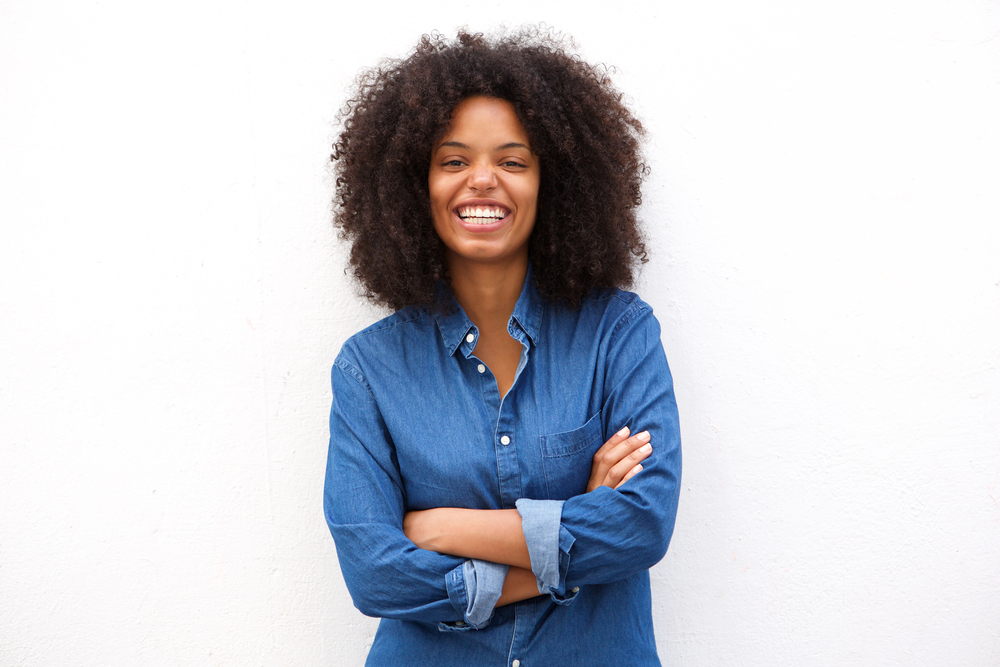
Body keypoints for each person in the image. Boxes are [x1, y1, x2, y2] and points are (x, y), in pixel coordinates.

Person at [324, 29, 682, 666]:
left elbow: (641, 524)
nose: (482, 180)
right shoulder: (369, 370)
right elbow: (375, 576)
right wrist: (572, 532)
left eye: (512, 162)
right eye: (454, 160)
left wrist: (441, 530)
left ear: (555, 184)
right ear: (415, 184)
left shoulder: (619, 334)